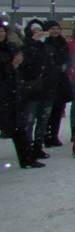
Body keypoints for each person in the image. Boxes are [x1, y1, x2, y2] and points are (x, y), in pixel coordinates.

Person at [17, 20, 58, 163]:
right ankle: (27, 149)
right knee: (29, 120)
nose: (38, 33)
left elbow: (55, 65)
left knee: (43, 119)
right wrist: (32, 44)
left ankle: (38, 146)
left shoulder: (48, 47)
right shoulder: (26, 47)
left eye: (40, 30)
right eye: (35, 31)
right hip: (32, 90)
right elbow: (24, 65)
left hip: (46, 89)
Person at [0, 22, 34, 168]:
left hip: (12, 94)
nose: (0, 34)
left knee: (18, 128)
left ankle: (27, 159)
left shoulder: (11, 47)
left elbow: (22, 67)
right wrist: (11, 66)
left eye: (2, 31)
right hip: (2, 93)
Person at [43, 19, 72, 147]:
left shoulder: (62, 42)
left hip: (61, 80)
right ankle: (45, 136)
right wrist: (56, 67)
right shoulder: (44, 43)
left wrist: (66, 65)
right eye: (52, 29)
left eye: (57, 29)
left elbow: (68, 57)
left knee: (58, 110)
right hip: (49, 81)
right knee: (47, 111)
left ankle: (54, 135)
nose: (55, 31)